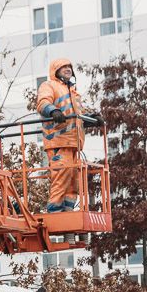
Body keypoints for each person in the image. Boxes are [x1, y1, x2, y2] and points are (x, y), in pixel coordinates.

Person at [35, 59, 99, 213]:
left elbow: (78, 115)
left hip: (74, 143)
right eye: (63, 67)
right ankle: (55, 210)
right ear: (55, 71)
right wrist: (53, 111)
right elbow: (42, 102)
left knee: (74, 180)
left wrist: (92, 118)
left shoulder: (73, 92)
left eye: (69, 66)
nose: (68, 69)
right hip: (58, 141)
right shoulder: (49, 86)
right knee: (61, 176)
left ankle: (68, 210)